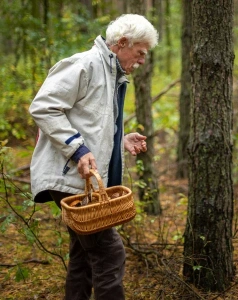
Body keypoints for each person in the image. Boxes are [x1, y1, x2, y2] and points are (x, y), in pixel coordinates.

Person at [29, 14, 158, 300]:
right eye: (140, 53)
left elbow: (87, 122)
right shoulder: (85, 64)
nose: (141, 62)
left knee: (83, 256)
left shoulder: (110, 74)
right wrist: (78, 148)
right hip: (69, 175)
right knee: (109, 254)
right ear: (122, 43)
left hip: (79, 178)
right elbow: (44, 106)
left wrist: (118, 140)